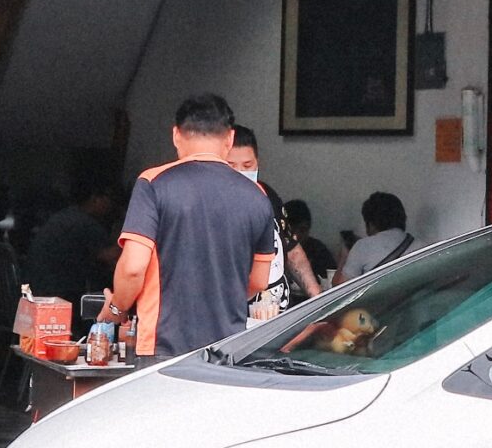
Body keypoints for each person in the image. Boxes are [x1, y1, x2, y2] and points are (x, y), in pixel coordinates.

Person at [104, 93, 276, 357]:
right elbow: (259, 281)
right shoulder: (257, 196)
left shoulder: (153, 183)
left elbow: (133, 268)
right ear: (229, 139)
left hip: (163, 348)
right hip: (226, 350)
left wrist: (116, 309)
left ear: (176, 135)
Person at [226, 126, 322, 309]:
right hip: (241, 321)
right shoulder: (210, 207)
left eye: (247, 165)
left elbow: (292, 249)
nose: (240, 172)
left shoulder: (267, 195)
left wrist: (317, 299)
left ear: (257, 163)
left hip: (280, 313)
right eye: (230, 166)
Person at [24, 181, 120, 306]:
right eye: (109, 200)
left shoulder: (65, 217)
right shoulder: (86, 224)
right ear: (95, 198)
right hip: (58, 293)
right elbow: (112, 257)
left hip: (36, 287)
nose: (111, 206)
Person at [334, 192, 414, 285]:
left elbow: (341, 287)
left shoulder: (363, 246)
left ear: (371, 224)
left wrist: (344, 257)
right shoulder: (422, 246)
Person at [282, 200, 335, 301]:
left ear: (309, 229)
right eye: (291, 232)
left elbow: (329, 279)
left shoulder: (318, 250)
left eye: (302, 230)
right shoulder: (273, 250)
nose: (296, 236)